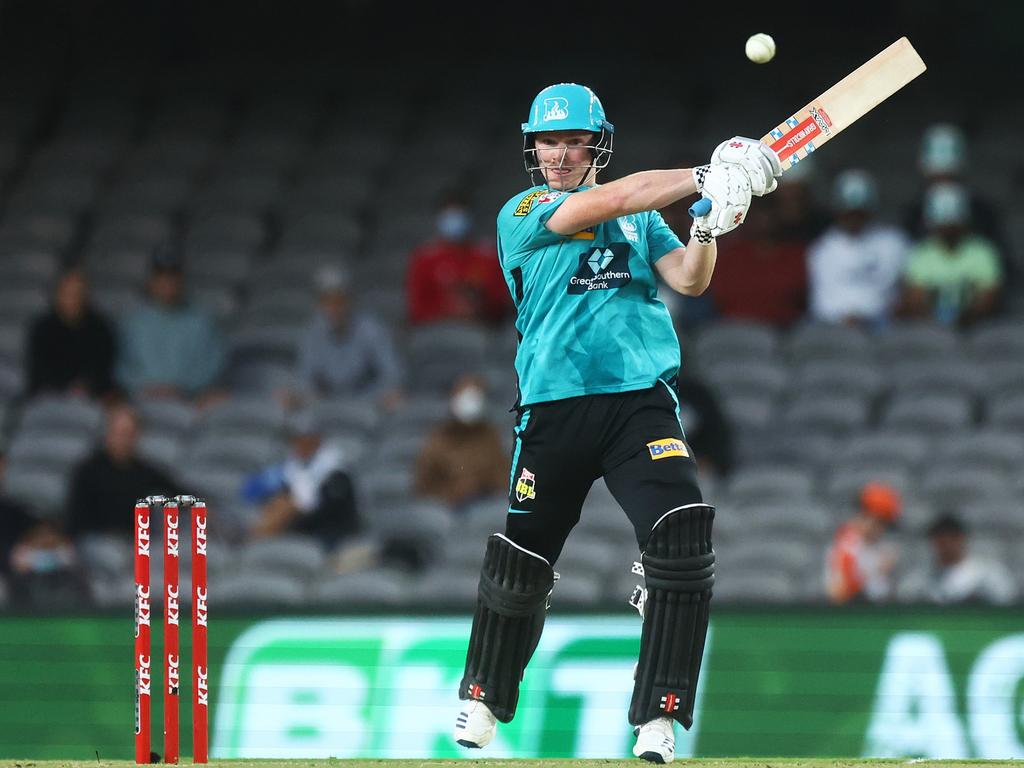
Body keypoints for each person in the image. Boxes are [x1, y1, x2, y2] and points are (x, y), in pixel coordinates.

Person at [452, 82, 779, 763]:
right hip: (554, 406)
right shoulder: (524, 212)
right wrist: (703, 174)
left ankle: (658, 718)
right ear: (532, 148)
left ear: (597, 144)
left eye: (574, 142)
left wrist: (709, 220)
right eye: (548, 141)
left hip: (639, 403)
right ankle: (482, 695)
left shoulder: (643, 219)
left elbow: (689, 279)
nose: (560, 154)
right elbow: (617, 197)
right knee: (524, 559)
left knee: (682, 543)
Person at [116, 249, 226, 403]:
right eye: (161, 276)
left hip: (189, 403)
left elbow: (213, 364)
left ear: (182, 279)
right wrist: (145, 386)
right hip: (141, 402)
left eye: (173, 276)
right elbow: (121, 366)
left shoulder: (202, 321)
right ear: (151, 280)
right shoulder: (132, 322)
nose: (167, 283)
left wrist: (182, 387)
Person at [806, 170, 910, 328]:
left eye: (859, 212)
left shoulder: (894, 242)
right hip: (834, 328)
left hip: (883, 326)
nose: (854, 219)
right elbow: (821, 301)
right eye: (848, 212)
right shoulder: (821, 249)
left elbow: (901, 293)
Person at [241, 410, 361, 547]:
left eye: (301, 440)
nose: (296, 445)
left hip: (332, 536)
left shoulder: (337, 472)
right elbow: (255, 493)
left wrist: (291, 519)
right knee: (278, 505)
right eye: (294, 441)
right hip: (300, 532)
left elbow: (329, 514)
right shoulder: (294, 468)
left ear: (316, 440)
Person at [291, 264, 403, 410]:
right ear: (319, 304)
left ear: (350, 300)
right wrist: (307, 395)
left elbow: (393, 375)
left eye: (339, 301)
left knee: (397, 401)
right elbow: (304, 377)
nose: (333, 308)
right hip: (325, 406)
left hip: (368, 405)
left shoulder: (372, 330)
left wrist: (377, 397)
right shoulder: (313, 332)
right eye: (327, 301)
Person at [65, 404, 179, 537]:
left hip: (136, 539)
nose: (123, 439)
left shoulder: (145, 471)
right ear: (107, 434)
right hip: (97, 538)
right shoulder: (88, 471)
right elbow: (76, 518)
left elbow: (175, 491)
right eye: (118, 433)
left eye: (129, 434)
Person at [899, 182, 1002, 328]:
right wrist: (937, 321)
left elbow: (988, 297)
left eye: (953, 224)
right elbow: (914, 299)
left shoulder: (982, 251)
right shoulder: (921, 253)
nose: (948, 230)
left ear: (964, 222)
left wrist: (967, 318)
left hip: (973, 326)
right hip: (931, 326)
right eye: (943, 224)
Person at [406, 193, 511, 326]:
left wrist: (479, 306)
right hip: (436, 329)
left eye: (459, 214)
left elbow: (503, 302)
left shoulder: (489, 256)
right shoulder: (425, 258)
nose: (455, 221)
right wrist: (448, 309)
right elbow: (416, 307)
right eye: (449, 215)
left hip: (482, 329)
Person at [707, 195, 808, 327]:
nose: (764, 221)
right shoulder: (731, 254)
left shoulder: (795, 253)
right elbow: (720, 295)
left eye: (768, 214)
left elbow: (799, 293)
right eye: (758, 215)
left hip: (785, 328)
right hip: (736, 325)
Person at [414, 374, 507, 511]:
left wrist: (479, 483)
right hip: (447, 508)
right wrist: (453, 491)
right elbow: (422, 486)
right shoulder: (438, 439)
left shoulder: (491, 436)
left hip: (484, 505)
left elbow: (503, 478)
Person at [25, 266, 118, 401]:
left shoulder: (101, 328)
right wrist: (64, 387)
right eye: (67, 293)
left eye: (78, 293)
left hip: (92, 396)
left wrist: (86, 386)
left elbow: (104, 369)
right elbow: (38, 372)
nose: (72, 299)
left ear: (86, 295)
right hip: (50, 395)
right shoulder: (42, 329)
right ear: (57, 294)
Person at [900, 513, 1016, 605]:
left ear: (962, 538)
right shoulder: (920, 578)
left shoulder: (985, 573)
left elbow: (1006, 599)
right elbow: (905, 600)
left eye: (951, 537)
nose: (945, 543)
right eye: (939, 538)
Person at [824, 482, 901, 604]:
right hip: (853, 614)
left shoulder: (880, 547)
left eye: (884, 524)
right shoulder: (846, 546)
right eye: (879, 522)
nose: (881, 529)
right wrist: (877, 569)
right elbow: (840, 594)